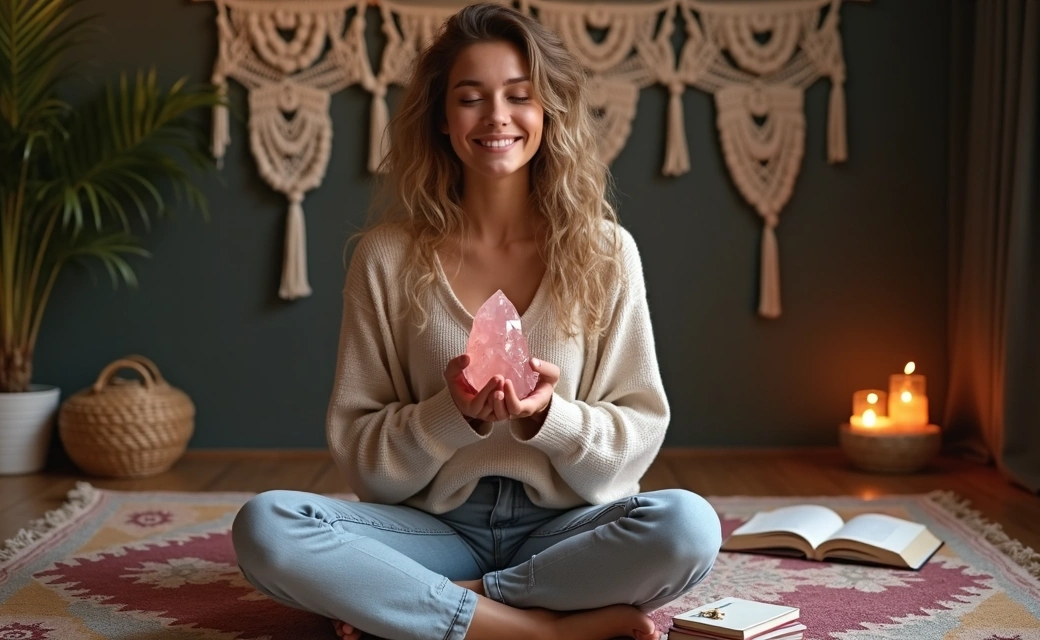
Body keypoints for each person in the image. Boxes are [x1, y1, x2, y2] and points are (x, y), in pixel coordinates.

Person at [230, 4, 722, 639]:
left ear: (548, 112)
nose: (497, 117)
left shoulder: (606, 252)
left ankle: (445, 606)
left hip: (564, 532)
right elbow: (363, 462)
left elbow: (636, 436)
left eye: (520, 96)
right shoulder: (385, 258)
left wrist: (549, 418)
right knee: (266, 526)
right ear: (441, 116)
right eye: (471, 98)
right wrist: (451, 415)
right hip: (429, 529)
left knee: (688, 526)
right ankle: (543, 631)